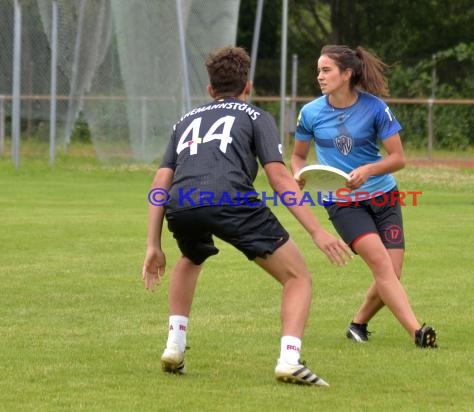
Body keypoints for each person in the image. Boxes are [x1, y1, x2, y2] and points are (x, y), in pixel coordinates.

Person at [141, 46, 352, 386]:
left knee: (191, 255)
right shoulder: (255, 117)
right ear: (248, 87)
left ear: (210, 90)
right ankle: (289, 360)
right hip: (230, 199)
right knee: (298, 278)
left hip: (182, 203)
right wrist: (316, 231)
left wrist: (153, 244)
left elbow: (161, 181)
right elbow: (279, 178)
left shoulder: (185, 121)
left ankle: (174, 345)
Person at [291, 45, 437, 348]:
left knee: (392, 272)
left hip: (384, 196)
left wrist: (369, 169)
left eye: (326, 70)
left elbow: (398, 158)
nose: (319, 76)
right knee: (383, 267)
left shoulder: (375, 108)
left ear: (347, 74)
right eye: (318, 70)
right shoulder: (311, 113)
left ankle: (358, 324)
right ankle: (417, 333)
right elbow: (297, 156)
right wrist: (300, 174)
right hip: (343, 202)